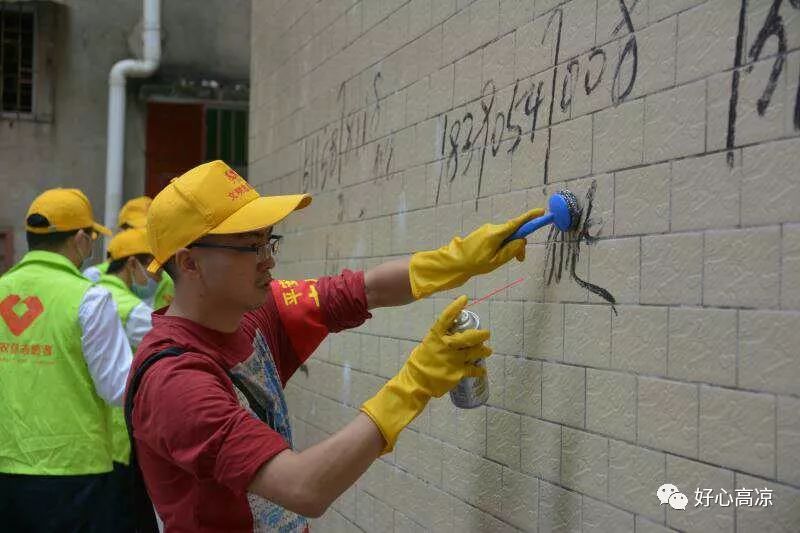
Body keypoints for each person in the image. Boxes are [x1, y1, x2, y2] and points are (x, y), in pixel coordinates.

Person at [127, 160, 544, 531]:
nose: (267, 258)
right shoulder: (176, 382)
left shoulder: (253, 312)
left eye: (269, 240)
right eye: (250, 246)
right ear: (189, 263)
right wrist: (415, 382)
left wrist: (458, 260)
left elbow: (361, 292)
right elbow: (304, 487)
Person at [0, 188, 134, 532]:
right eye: (91, 237)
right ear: (79, 239)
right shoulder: (90, 299)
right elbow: (119, 388)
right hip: (75, 474)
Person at [97, 227, 157, 533]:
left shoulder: (90, 294)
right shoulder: (134, 311)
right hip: (123, 430)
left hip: (95, 429)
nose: (151, 274)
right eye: (147, 264)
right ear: (131, 264)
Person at [84, 195, 175, 310]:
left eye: (150, 231)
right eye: (137, 229)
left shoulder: (168, 278)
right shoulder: (95, 276)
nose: (144, 236)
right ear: (122, 231)